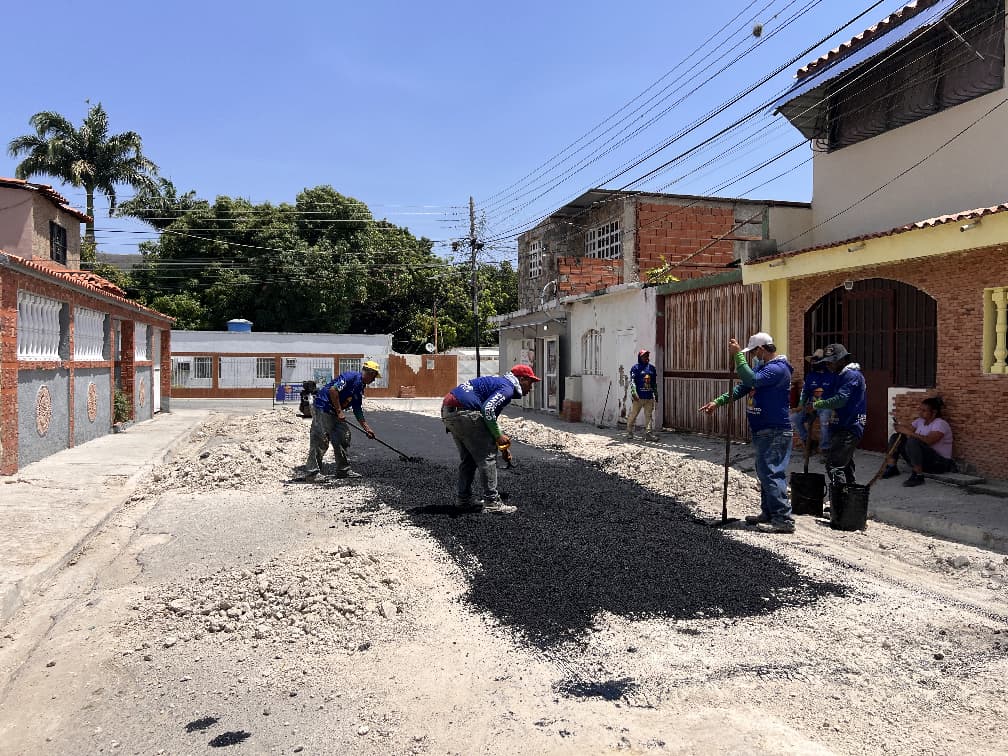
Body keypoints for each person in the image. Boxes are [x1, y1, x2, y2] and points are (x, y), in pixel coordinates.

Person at [700, 332, 796, 534]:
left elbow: (751, 379)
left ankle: (783, 519)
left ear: (761, 349)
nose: (753, 356)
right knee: (764, 471)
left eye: (753, 352)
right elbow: (743, 387)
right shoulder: (764, 368)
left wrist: (738, 356)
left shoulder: (778, 369)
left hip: (775, 430)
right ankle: (768, 513)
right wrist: (717, 402)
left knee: (771, 472)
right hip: (763, 430)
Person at [441, 364, 540, 513]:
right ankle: (492, 502)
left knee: (469, 459)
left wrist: (501, 445)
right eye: (530, 383)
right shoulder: (507, 389)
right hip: (465, 412)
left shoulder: (499, 384)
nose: (531, 388)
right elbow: (487, 410)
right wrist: (498, 436)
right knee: (487, 458)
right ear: (521, 379)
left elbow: (489, 420)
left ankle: (464, 499)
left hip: (450, 411)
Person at [297, 360, 381, 481]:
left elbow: (357, 408)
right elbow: (333, 390)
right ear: (370, 373)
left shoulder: (360, 387)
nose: (374, 380)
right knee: (320, 440)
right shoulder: (350, 377)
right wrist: (339, 411)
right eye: (374, 377)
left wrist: (367, 428)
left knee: (343, 437)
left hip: (335, 412)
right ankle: (312, 474)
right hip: (323, 408)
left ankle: (343, 470)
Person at [811, 343, 866, 498]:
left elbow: (841, 400)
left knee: (834, 466)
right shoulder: (839, 376)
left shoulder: (852, 376)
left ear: (842, 360)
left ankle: (840, 502)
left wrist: (818, 405)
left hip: (849, 426)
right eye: (827, 362)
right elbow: (828, 396)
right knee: (845, 466)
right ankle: (849, 504)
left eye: (831, 362)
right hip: (839, 426)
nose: (829, 365)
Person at [881, 397, 956, 486]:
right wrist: (900, 428)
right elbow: (907, 431)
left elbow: (929, 441)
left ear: (934, 412)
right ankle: (892, 467)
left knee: (913, 441)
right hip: (924, 460)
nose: (920, 412)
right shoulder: (920, 421)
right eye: (920, 410)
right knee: (896, 437)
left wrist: (908, 432)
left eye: (924, 411)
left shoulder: (940, 424)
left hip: (939, 463)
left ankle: (918, 475)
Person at [790, 349, 834, 454]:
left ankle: (825, 448)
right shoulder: (810, 376)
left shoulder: (831, 376)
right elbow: (804, 393)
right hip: (810, 406)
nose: (814, 363)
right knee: (795, 418)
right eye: (813, 361)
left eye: (816, 361)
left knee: (824, 420)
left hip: (825, 406)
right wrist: (800, 405)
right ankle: (809, 443)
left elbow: (835, 396)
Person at [626, 348, 659, 441]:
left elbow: (654, 383)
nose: (646, 357)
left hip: (649, 397)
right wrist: (633, 392)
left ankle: (648, 433)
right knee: (634, 415)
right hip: (638, 397)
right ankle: (629, 431)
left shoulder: (652, 368)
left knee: (649, 415)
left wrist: (656, 394)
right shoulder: (635, 368)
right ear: (640, 357)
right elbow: (632, 381)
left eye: (647, 355)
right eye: (644, 356)